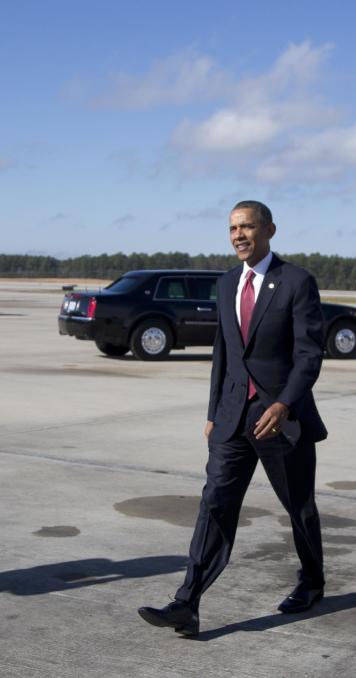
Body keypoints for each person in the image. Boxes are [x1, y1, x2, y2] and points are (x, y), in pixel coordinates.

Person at [139, 201, 328, 636]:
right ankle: (187, 602)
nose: (238, 234)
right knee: (214, 505)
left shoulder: (296, 281)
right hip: (231, 419)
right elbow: (223, 355)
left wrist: (283, 404)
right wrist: (212, 413)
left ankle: (313, 581)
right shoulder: (226, 284)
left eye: (246, 226)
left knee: (298, 506)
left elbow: (308, 355)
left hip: (280, 419)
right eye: (232, 228)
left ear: (269, 230)